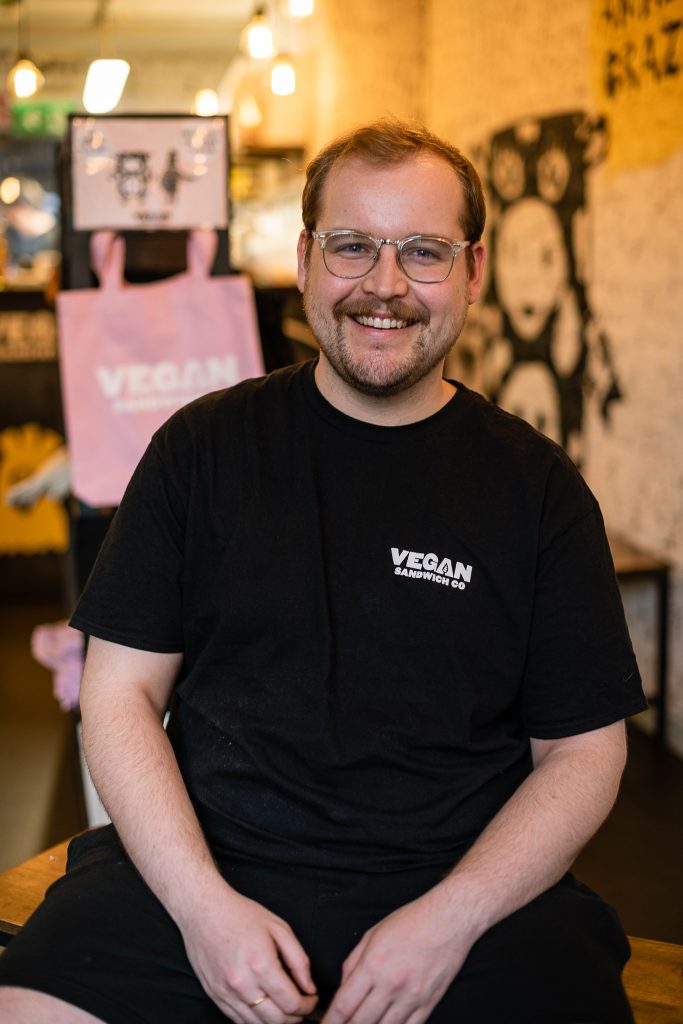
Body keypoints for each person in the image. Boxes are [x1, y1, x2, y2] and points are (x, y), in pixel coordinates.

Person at [0, 118, 646, 1024]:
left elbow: (583, 751)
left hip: (459, 887)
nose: (384, 286)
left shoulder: (535, 488)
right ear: (304, 260)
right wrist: (202, 910)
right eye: (351, 247)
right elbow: (119, 697)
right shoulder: (201, 449)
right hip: (207, 864)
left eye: (424, 251)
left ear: (473, 271)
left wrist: (447, 923)